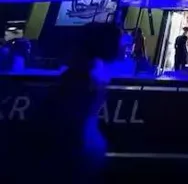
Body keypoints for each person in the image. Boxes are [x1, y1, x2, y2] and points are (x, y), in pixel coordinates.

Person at [23, 22, 123, 183]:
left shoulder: (81, 73)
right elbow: (74, 121)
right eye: (119, 42)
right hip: (75, 152)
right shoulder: (87, 76)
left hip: (75, 151)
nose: (123, 47)